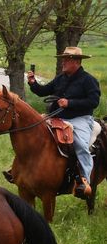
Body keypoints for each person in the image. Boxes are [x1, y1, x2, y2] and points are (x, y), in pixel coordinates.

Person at [25, 46, 101, 198]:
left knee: (80, 144)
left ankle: (84, 181)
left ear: (77, 62)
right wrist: (33, 83)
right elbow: (43, 91)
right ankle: (22, 170)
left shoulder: (89, 80)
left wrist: (70, 103)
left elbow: (93, 102)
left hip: (79, 119)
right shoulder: (61, 77)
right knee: (33, 134)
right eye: (63, 59)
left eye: (67, 60)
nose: (63, 62)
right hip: (56, 117)